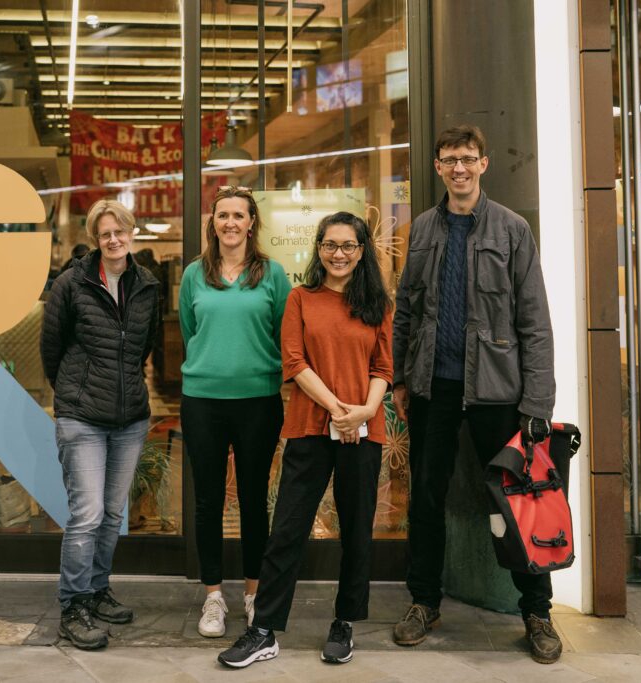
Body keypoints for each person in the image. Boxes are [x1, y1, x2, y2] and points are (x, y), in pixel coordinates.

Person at [389, 125, 560, 663]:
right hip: (433, 389)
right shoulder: (421, 229)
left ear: (484, 163)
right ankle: (424, 602)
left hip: (497, 392)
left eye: (467, 159)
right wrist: (399, 378)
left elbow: (535, 322)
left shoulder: (512, 230)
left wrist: (537, 405)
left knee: (520, 501)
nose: (458, 168)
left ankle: (536, 610)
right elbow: (407, 310)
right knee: (425, 500)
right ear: (438, 167)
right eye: (448, 160)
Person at [217, 211, 393, 669]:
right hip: (312, 428)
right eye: (330, 245)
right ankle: (264, 630)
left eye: (348, 246)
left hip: (363, 431)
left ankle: (345, 623)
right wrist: (339, 409)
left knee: (357, 531)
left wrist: (367, 412)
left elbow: (384, 369)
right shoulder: (301, 298)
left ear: (361, 251)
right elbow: (293, 363)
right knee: (288, 530)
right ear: (319, 250)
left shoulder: (378, 303)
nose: (338, 254)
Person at [40, 199, 160, 650]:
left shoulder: (147, 284)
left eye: (120, 231)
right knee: (87, 514)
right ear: (96, 238)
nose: (114, 239)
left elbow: (144, 346)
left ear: (132, 232)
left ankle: (97, 589)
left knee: (112, 514)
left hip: (129, 418)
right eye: (105, 233)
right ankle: (73, 606)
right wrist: (74, 391)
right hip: (82, 416)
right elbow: (52, 348)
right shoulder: (71, 283)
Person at [179, 186, 292, 637]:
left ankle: (252, 591)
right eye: (222, 215)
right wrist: (212, 368)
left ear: (251, 223)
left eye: (238, 215)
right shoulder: (194, 275)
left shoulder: (273, 274)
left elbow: (286, 334)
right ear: (214, 223)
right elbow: (190, 332)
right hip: (203, 401)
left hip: (258, 402)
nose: (229, 223)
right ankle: (212, 598)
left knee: (251, 500)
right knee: (207, 502)